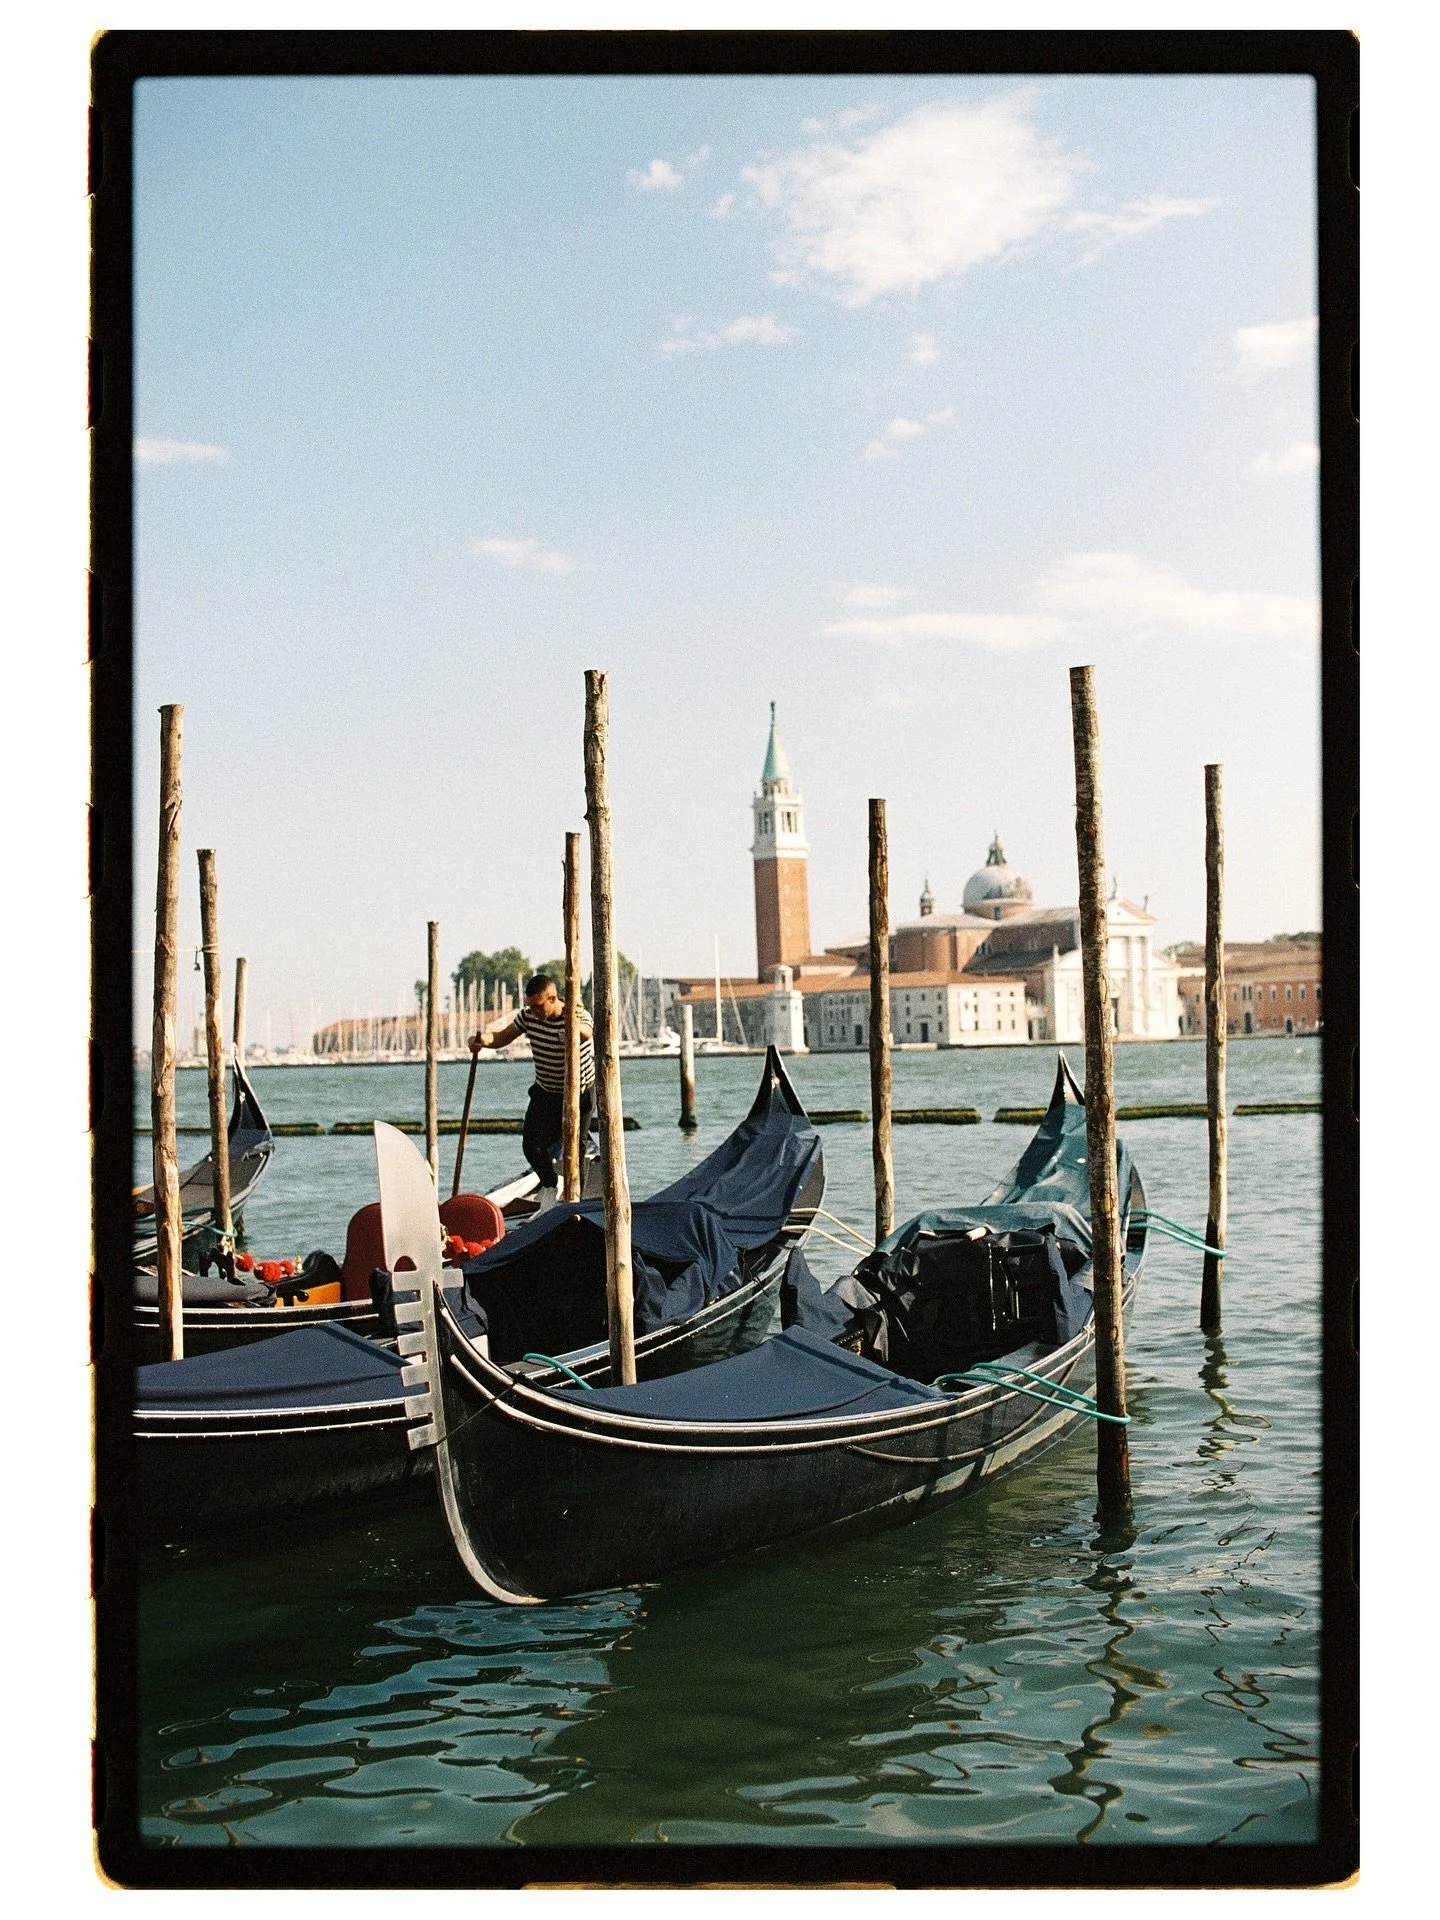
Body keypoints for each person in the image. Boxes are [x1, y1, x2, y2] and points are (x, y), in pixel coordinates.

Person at [471, 973, 594, 1199]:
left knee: (577, 1146)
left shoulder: (577, 1015)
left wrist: (573, 1024)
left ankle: (576, 1198)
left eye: (538, 1007)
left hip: (580, 1093)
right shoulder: (528, 1018)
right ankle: (551, 1185)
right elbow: (501, 1038)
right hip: (546, 1092)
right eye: (531, 1007)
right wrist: (482, 1040)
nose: (535, 1012)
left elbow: (587, 1033)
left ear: (552, 999)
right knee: (532, 1147)